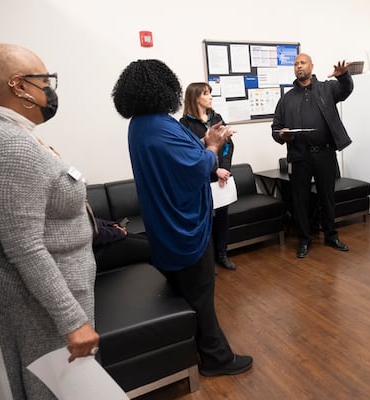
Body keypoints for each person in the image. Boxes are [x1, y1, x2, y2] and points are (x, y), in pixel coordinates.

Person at [0, 43, 99, 399]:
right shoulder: (11, 146)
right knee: (56, 389)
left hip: (41, 294)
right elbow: (25, 247)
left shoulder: (2, 130)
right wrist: (72, 320)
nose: (50, 90)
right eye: (45, 80)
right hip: (38, 305)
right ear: (19, 85)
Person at [111, 59, 252, 376]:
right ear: (165, 89)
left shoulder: (144, 124)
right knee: (200, 296)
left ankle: (198, 350)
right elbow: (196, 169)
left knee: (190, 294)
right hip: (183, 227)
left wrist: (205, 141)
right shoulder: (159, 126)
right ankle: (217, 359)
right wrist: (213, 147)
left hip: (165, 223)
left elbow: (184, 156)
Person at [271, 53, 353, 259]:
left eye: (303, 63)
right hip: (299, 155)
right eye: (296, 64)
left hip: (325, 153)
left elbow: (346, 90)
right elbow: (276, 129)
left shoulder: (327, 88)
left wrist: (344, 77)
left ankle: (331, 236)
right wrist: (283, 135)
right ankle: (304, 240)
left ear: (311, 66)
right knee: (300, 200)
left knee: (327, 197)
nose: (299, 66)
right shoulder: (286, 99)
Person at [180, 82, 236, 270]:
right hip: (202, 178)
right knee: (204, 220)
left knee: (222, 217)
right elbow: (191, 153)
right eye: (206, 93)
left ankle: (222, 253)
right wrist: (214, 170)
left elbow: (228, 145)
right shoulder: (185, 124)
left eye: (210, 93)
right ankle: (206, 260)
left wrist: (225, 168)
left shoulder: (216, 118)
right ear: (195, 97)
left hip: (222, 177)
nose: (210, 96)